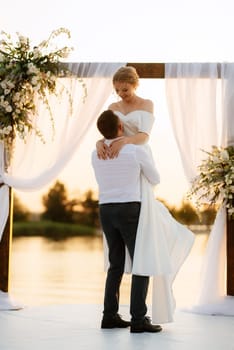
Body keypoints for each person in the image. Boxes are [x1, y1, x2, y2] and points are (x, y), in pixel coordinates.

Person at [96, 66, 195, 324]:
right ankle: (137, 317)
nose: (121, 93)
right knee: (138, 255)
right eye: (117, 90)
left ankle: (113, 315)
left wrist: (122, 142)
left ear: (135, 85)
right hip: (126, 167)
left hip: (128, 162)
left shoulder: (147, 104)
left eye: (125, 89)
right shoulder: (113, 108)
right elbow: (105, 129)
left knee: (120, 257)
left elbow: (143, 135)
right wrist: (101, 142)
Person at [92, 109, 162, 333]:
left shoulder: (95, 154)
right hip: (129, 209)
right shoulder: (135, 150)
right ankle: (139, 319)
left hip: (105, 209)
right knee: (141, 261)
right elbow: (155, 178)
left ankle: (109, 316)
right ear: (121, 127)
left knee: (116, 264)